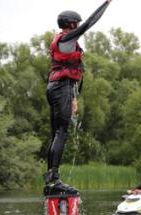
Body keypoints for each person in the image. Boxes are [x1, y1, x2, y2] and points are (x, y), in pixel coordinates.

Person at [44, 0, 113, 195]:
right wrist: (106, 4)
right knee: (61, 133)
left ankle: (50, 180)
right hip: (60, 89)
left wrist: (73, 98)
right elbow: (90, 22)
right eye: (76, 23)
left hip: (57, 88)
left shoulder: (64, 41)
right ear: (71, 24)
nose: (78, 26)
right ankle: (53, 180)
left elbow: (69, 73)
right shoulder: (66, 39)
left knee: (56, 133)